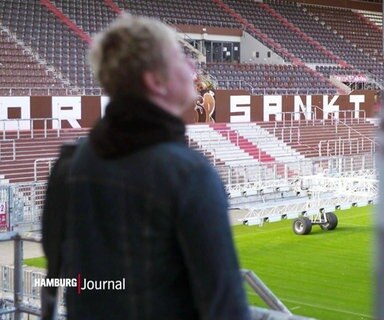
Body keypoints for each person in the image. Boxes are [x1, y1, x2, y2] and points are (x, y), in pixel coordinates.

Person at [41, 14, 250, 319]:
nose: (192, 70)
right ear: (155, 80)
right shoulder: (189, 174)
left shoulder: (70, 164)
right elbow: (225, 306)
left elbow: (71, 280)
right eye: (181, 59)